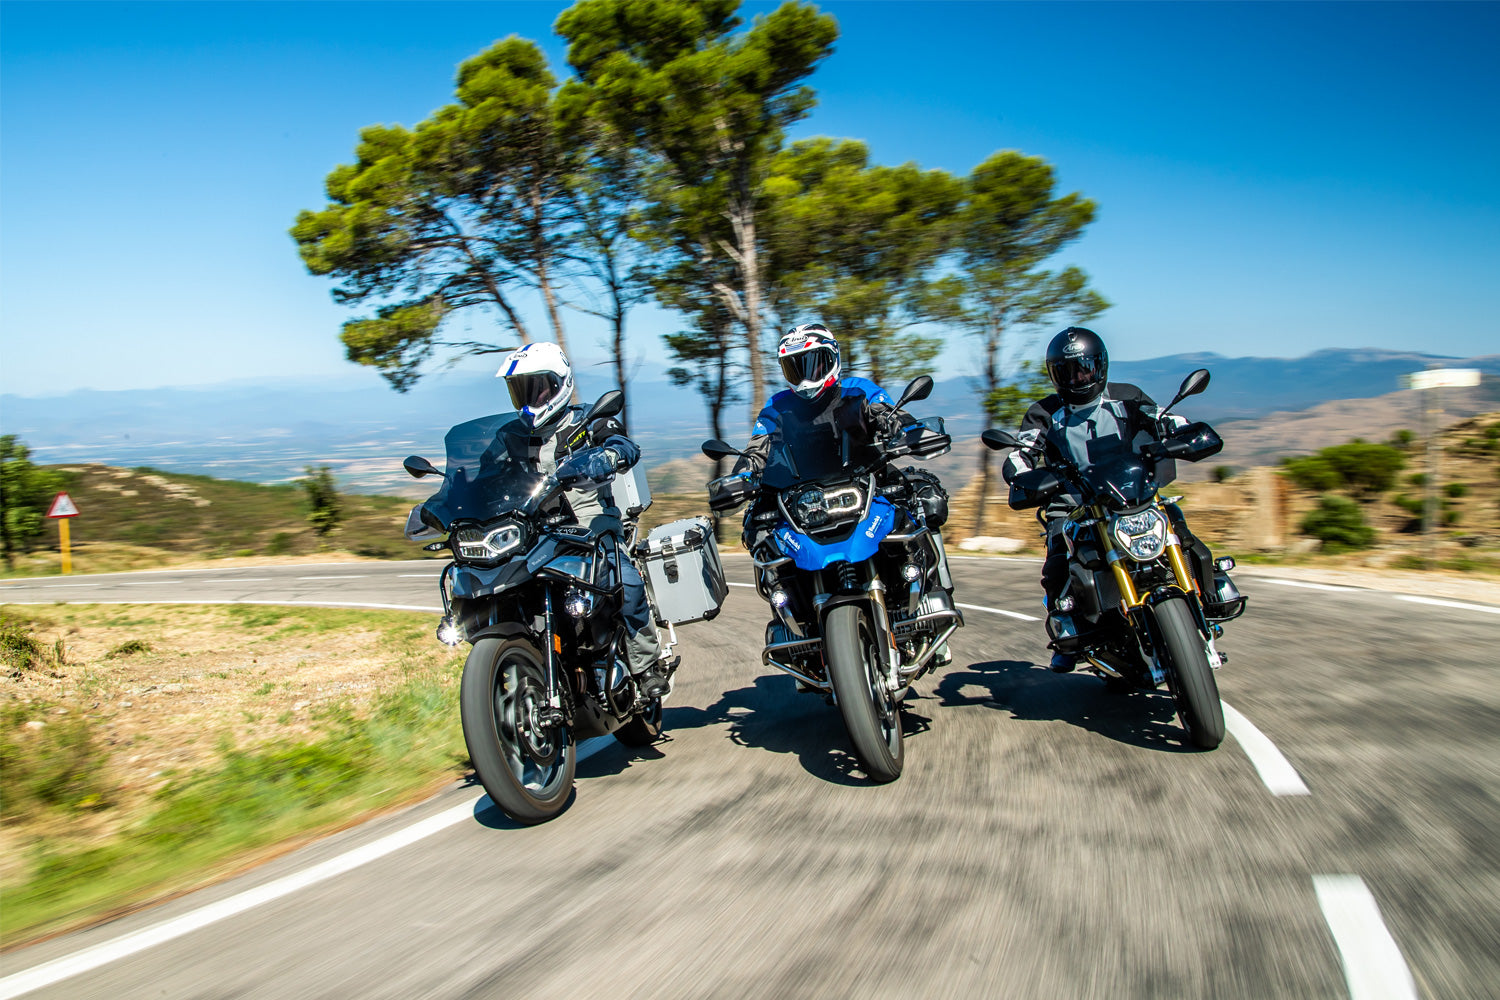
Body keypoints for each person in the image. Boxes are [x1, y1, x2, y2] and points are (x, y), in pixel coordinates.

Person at [730, 323, 954, 662]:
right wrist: (741, 476)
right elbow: (756, 451)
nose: (805, 376)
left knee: (923, 499)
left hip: (868, 483)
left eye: (813, 363)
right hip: (803, 501)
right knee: (757, 531)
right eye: (794, 367)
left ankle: (933, 593)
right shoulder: (776, 408)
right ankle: (793, 621)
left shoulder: (858, 391)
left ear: (832, 358)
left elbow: (890, 415)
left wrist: (906, 430)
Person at [1001, 326, 1214, 673]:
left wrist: (1181, 431)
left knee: (1177, 524)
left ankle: (1211, 592)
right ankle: (1067, 631)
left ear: (1100, 366)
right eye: (1068, 371)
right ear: (1055, 375)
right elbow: (1021, 451)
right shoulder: (1044, 412)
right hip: (1074, 505)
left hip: (1131, 492)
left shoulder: (1128, 396)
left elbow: (1163, 417)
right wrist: (1021, 471)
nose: (1078, 377)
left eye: (1085, 368)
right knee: (1058, 560)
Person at [496, 341, 675, 699]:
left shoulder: (587, 421)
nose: (528, 399)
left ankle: (646, 665)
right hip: (534, 533)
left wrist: (609, 456)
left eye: (536, 387)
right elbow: (483, 472)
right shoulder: (510, 436)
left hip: (590, 527)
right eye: (520, 390)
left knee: (624, 580)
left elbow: (624, 445)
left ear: (559, 383)